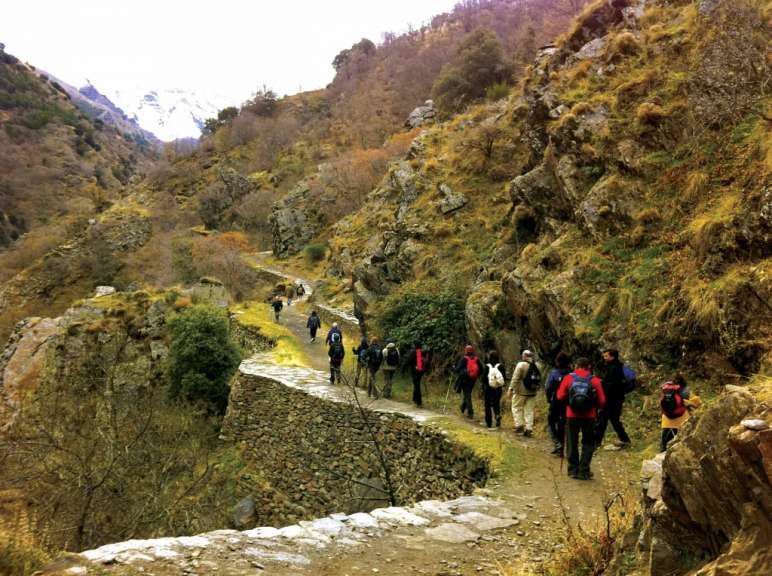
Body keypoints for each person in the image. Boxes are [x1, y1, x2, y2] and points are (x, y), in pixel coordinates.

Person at [556, 357, 606, 480]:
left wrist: (569, 401)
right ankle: (584, 471)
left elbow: (559, 396)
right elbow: (603, 401)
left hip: (571, 415)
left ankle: (573, 470)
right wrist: (594, 406)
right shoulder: (594, 380)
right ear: (589, 366)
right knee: (588, 443)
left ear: (576, 365)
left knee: (572, 441)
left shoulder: (569, 378)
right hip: (589, 416)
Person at [595, 349, 632, 448]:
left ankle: (596, 442)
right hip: (617, 398)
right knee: (613, 419)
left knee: (603, 419)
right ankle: (625, 439)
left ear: (612, 357)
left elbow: (612, 384)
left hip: (611, 398)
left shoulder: (615, 368)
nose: (604, 358)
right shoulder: (619, 367)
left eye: (606, 356)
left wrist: (601, 383)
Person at [660, 373, 701, 452]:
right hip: (682, 422)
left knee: (664, 447)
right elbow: (698, 403)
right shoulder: (686, 391)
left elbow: (662, 405)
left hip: (666, 422)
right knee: (682, 446)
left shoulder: (666, 390)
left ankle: (661, 457)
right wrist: (688, 403)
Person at [508, 350, 541, 437]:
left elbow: (515, 378)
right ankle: (529, 429)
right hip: (532, 392)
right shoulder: (537, 365)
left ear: (524, 356)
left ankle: (519, 426)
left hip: (520, 392)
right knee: (529, 411)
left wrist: (510, 389)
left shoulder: (521, 365)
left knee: (516, 407)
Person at [545, 352, 571, 455]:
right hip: (567, 402)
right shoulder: (571, 374)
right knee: (562, 424)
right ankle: (561, 447)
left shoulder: (554, 373)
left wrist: (548, 399)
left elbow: (548, 388)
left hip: (555, 401)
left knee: (551, 422)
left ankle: (557, 443)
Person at [454, 345, 481, 419]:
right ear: (472, 351)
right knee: (467, 394)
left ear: (465, 351)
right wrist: (476, 375)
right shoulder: (476, 359)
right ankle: (463, 407)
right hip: (473, 380)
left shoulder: (464, 359)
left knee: (467, 395)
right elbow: (482, 369)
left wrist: (453, 368)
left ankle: (470, 412)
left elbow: (457, 369)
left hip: (465, 380)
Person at [482, 350, 506, 428]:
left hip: (488, 388)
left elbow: (483, 379)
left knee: (487, 405)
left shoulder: (487, 366)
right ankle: (497, 415)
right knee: (496, 403)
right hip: (498, 389)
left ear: (490, 357)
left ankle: (489, 422)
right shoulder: (501, 366)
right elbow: (504, 378)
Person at [405, 340, 429, 408]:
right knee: (417, 384)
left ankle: (419, 402)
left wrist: (404, 368)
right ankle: (415, 399)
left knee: (417, 386)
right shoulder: (423, 351)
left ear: (415, 345)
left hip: (415, 371)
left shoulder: (414, 352)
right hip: (421, 371)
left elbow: (408, 360)